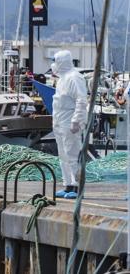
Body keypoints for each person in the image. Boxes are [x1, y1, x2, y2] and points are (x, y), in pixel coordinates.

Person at [51, 50, 87, 199]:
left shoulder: (74, 77)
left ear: (62, 61)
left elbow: (81, 100)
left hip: (69, 119)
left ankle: (78, 187)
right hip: (59, 120)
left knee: (73, 154)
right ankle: (68, 185)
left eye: (55, 61)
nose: (53, 65)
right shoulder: (62, 78)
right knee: (63, 155)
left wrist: (76, 120)